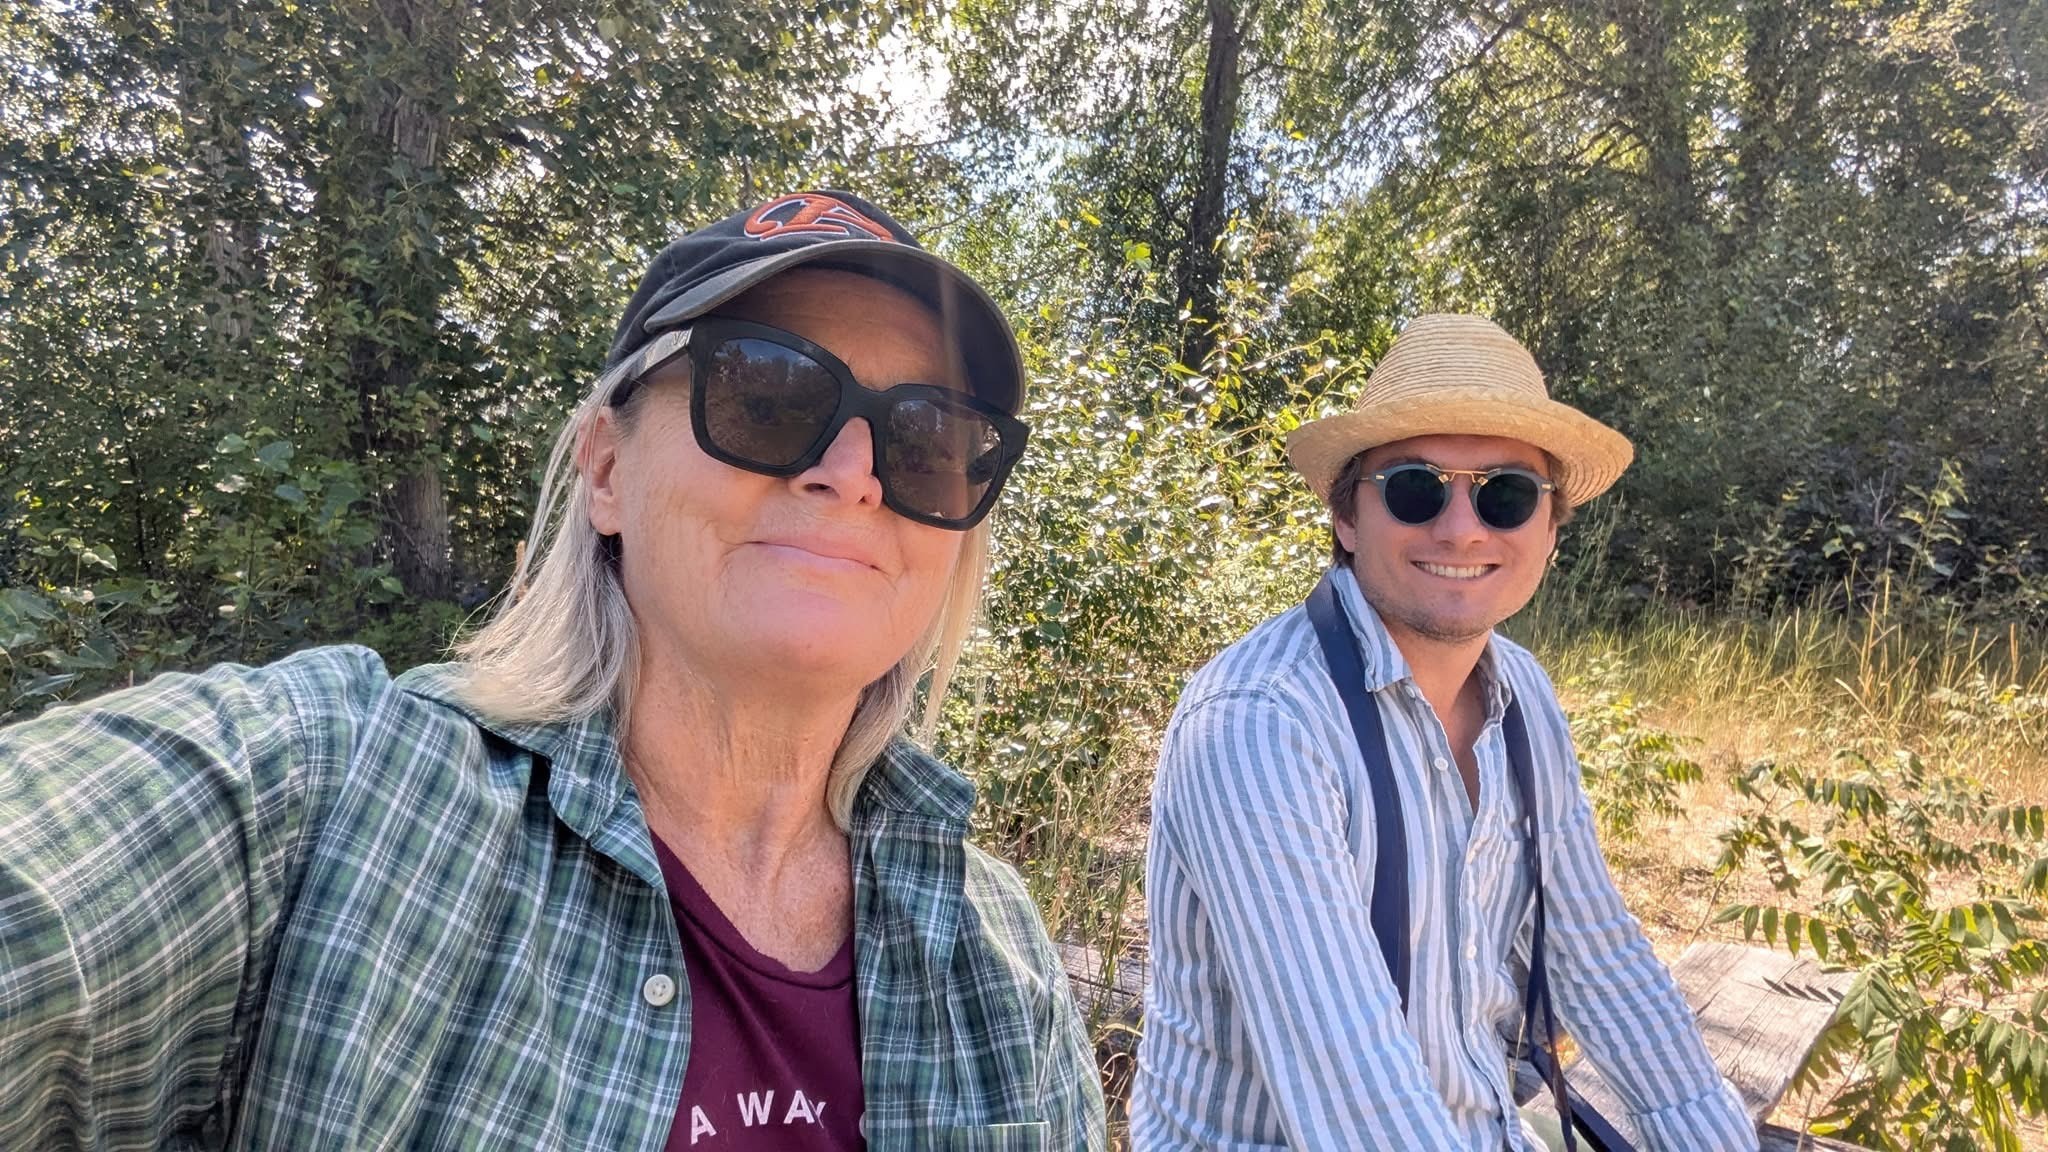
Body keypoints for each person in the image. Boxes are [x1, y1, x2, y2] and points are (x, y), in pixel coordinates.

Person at [0, 190, 1106, 1150]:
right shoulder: (320, 794)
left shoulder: (998, 956)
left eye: (924, 440)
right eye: (769, 396)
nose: (852, 473)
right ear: (607, 468)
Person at [1128, 314, 1754, 1151]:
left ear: (1550, 531)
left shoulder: (1522, 696)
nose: (1461, 529)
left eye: (1506, 494)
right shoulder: (1259, 725)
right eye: (1416, 488)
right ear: (1348, 518)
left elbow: (1601, 961)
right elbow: (1357, 1094)